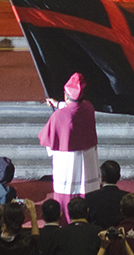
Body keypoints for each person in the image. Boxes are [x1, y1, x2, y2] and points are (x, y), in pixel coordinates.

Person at [37, 72, 99, 220]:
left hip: (67, 162)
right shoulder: (88, 107)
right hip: (87, 161)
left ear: (66, 96)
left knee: (67, 193)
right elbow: (74, 107)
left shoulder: (59, 116)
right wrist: (57, 104)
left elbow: (47, 141)